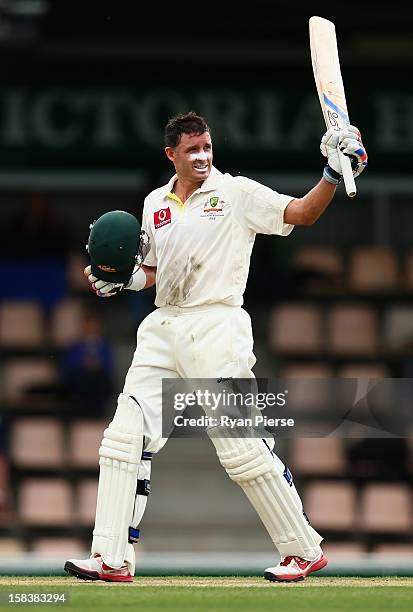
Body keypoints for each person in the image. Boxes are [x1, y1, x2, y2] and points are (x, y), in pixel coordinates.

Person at [64, 111, 367, 583]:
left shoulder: (236, 193)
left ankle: (303, 550)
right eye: (192, 150)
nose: (203, 156)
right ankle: (111, 557)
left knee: (240, 448)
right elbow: (151, 272)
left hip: (217, 325)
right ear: (172, 155)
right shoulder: (154, 204)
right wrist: (119, 281)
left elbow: (303, 213)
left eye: (207, 147)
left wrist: (332, 172)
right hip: (163, 327)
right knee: (122, 439)